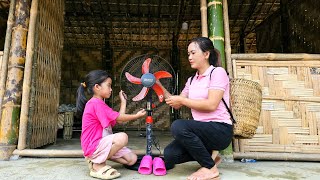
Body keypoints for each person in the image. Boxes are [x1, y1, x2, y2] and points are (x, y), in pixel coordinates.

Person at [158, 37, 233, 180]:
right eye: (188, 54)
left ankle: (210, 168)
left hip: (220, 130)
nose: (190, 57)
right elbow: (176, 102)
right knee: (170, 154)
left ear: (206, 54)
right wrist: (157, 84)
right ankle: (211, 159)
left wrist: (182, 99)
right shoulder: (191, 80)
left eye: (193, 53)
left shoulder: (217, 73)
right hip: (201, 132)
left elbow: (212, 104)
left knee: (178, 126)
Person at [76, 70, 146, 180]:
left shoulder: (100, 103)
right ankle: (97, 164)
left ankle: (96, 158)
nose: (111, 89)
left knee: (131, 160)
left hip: (102, 144)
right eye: (108, 85)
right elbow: (119, 118)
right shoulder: (95, 103)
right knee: (123, 137)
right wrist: (136, 116)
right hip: (94, 145)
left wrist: (123, 102)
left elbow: (119, 119)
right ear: (97, 87)